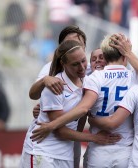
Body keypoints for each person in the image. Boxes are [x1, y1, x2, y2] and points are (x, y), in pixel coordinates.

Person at [20, 40, 121, 168]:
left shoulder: (88, 81)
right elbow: (60, 131)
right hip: (43, 153)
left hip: (65, 154)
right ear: (64, 64)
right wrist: (94, 138)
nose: (82, 67)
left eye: (83, 61)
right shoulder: (55, 86)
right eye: (75, 64)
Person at [26, 25, 89, 168]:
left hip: (69, 145)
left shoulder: (87, 68)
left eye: (78, 43)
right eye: (68, 43)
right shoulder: (51, 73)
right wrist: (44, 80)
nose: (73, 46)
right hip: (44, 146)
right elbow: (33, 94)